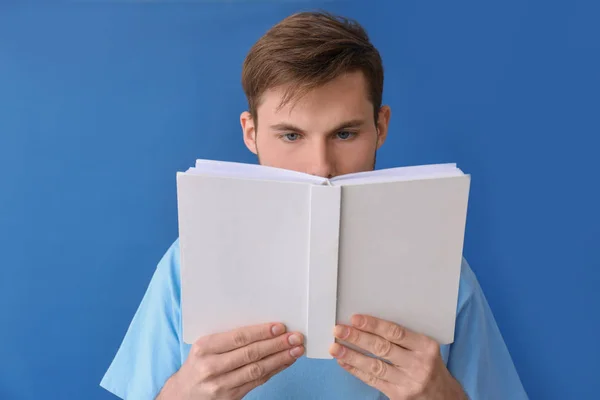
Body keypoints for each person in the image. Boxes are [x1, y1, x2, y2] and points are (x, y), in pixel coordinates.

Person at [100, 11, 528, 400]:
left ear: (381, 127)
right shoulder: (187, 264)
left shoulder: (445, 274)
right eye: (290, 135)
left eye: (345, 134)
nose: (320, 167)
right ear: (250, 133)